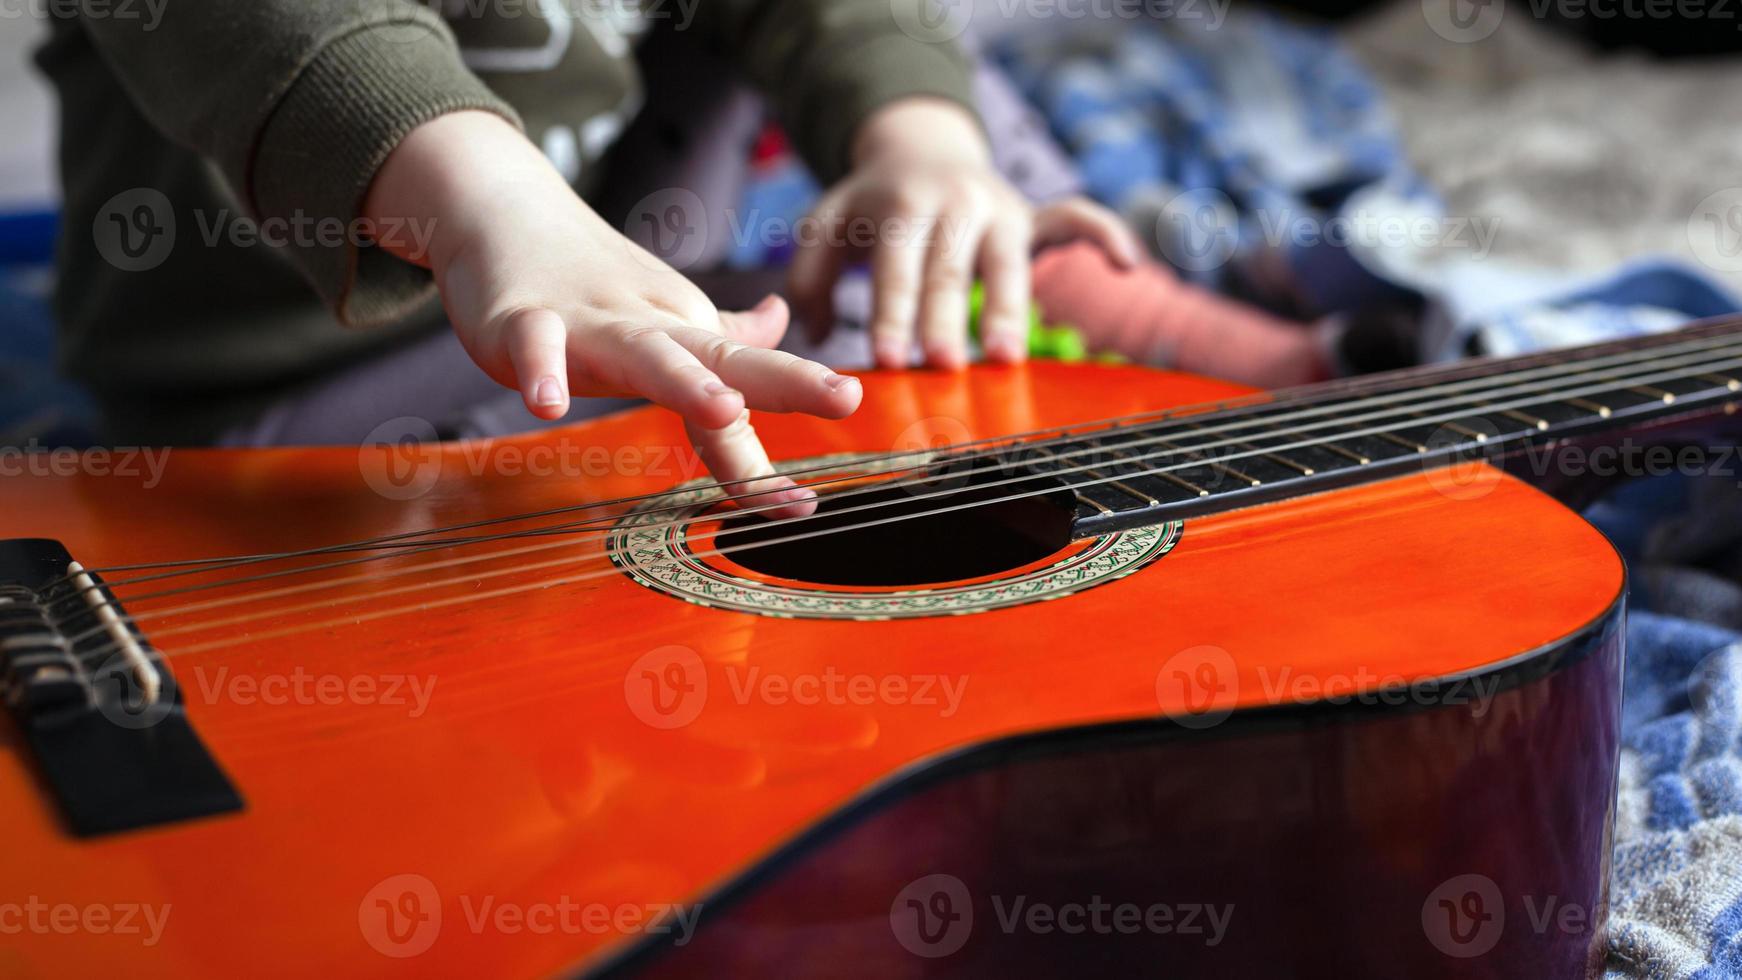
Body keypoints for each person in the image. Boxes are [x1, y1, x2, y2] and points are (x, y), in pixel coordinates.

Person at [37, 0, 1138, 513]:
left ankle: (1079, 287)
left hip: (617, 285)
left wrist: (920, 137)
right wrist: (488, 203)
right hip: (281, 406)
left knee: (918, 113)